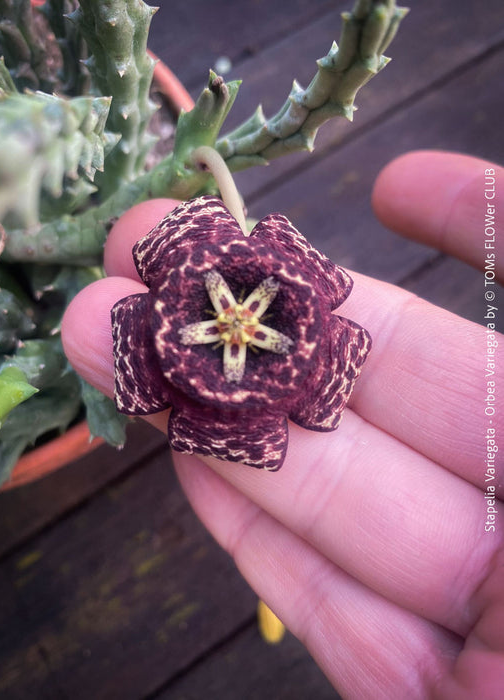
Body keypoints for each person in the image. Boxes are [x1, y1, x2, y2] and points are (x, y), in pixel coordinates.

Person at [62, 150, 503, 699]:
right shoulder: (186, 288)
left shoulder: (315, 349)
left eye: (241, 320)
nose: (237, 323)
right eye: (235, 319)